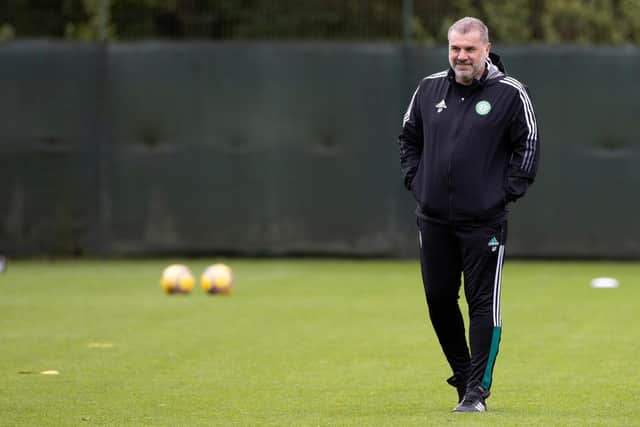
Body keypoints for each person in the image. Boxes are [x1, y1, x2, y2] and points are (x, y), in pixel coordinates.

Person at [397, 17, 540, 412]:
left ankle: (477, 391)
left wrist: (502, 194)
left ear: (486, 48)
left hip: (484, 222)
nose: (461, 56)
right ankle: (463, 376)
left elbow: (527, 146)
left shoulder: (511, 93)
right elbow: (408, 137)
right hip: (434, 219)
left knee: (482, 304)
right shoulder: (428, 89)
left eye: (470, 49)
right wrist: (417, 180)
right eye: (455, 48)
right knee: (438, 299)